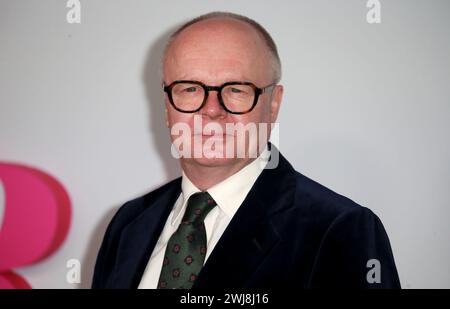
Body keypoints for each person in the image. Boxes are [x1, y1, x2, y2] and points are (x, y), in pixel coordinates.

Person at [92, 11, 400, 289]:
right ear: (167, 104)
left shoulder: (339, 230)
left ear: (273, 104)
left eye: (236, 90)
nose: (212, 111)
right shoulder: (129, 223)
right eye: (189, 89)